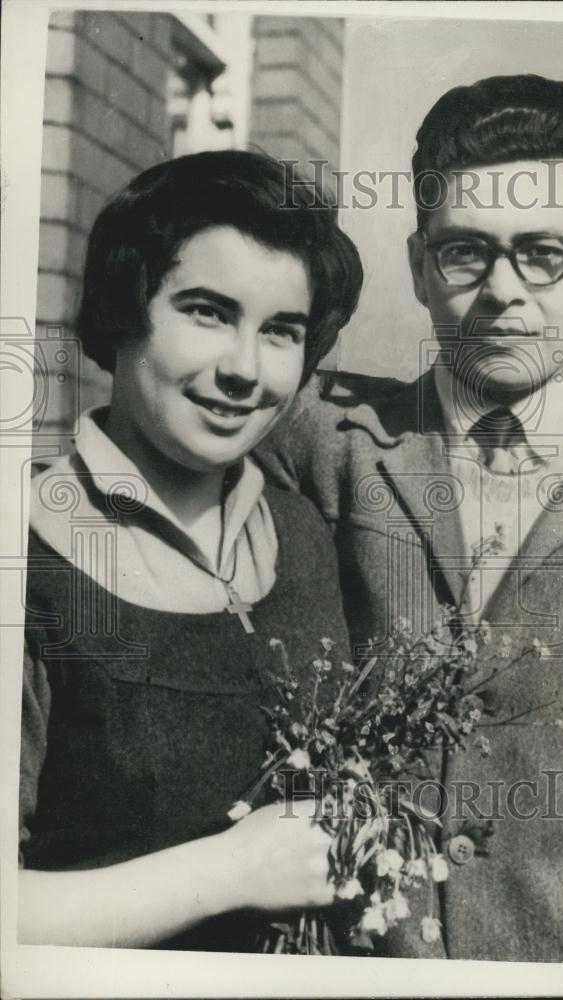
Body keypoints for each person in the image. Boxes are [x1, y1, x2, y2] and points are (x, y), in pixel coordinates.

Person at [256, 75, 563, 962]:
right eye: (465, 252)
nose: (503, 289)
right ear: (421, 266)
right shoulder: (315, 439)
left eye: (544, 252)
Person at [19, 150, 363, 950]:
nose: (244, 369)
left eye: (281, 331)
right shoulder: (23, 551)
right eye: (207, 312)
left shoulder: (305, 535)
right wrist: (230, 872)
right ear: (122, 310)